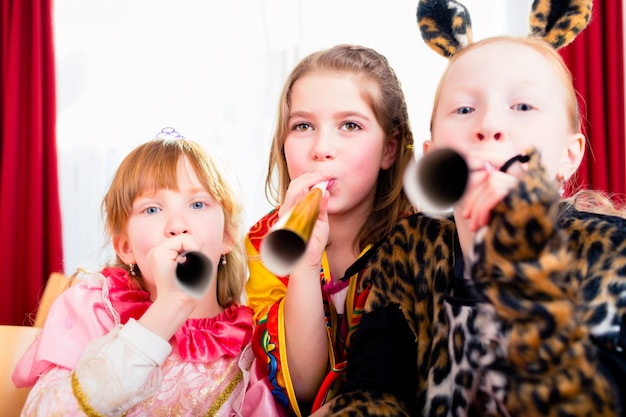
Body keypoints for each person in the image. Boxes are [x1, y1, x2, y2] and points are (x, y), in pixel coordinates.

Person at [313, 0, 626, 415]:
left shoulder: (611, 252)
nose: (490, 125)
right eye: (464, 109)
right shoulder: (410, 248)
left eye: (523, 106)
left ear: (570, 155)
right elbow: (373, 393)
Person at [12, 129, 280, 416]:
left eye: (198, 204)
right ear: (126, 248)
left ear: (227, 236)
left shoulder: (255, 341)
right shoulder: (97, 310)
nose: (177, 225)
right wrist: (164, 313)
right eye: (152, 209)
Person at [244, 44, 416, 416]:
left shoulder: (422, 243)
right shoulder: (264, 244)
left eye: (350, 125)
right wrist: (304, 264)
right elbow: (303, 388)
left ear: (389, 149)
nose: (322, 149)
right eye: (303, 126)